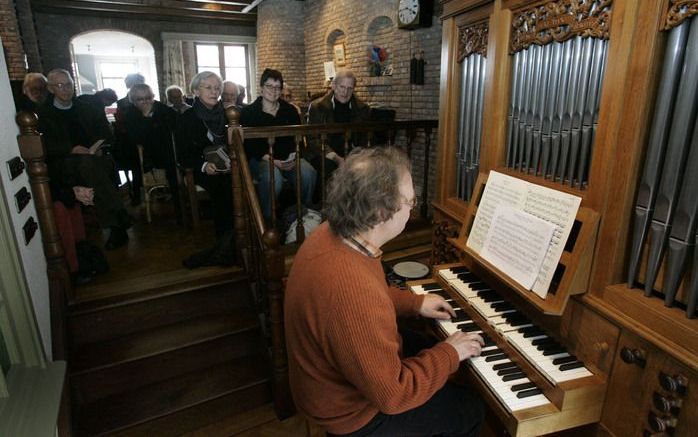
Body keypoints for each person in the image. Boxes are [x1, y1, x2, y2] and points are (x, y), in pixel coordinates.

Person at [285, 146, 485, 437]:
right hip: (351, 415)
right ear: (381, 211)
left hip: (324, 381)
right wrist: (449, 353)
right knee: (470, 409)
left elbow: (369, 296)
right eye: (410, 201)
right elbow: (393, 396)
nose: (412, 207)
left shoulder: (333, 235)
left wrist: (414, 303)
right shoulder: (351, 287)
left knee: (425, 343)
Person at [37, 69, 132, 250]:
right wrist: (71, 149)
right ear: (50, 89)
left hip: (94, 158)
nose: (65, 89)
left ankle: (116, 222)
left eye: (68, 84)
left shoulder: (87, 108)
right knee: (88, 165)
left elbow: (108, 135)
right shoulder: (43, 115)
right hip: (64, 163)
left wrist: (97, 147)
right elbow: (44, 145)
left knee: (93, 164)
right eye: (60, 85)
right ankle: (118, 218)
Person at [239, 68, 316, 221]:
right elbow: (250, 146)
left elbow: (298, 138)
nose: (273, 91)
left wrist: (294, 155)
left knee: (308, 173)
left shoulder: (290, 111)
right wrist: (273, 161)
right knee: (273, 179)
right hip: (262, 159)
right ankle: (267, 220)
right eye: (269, 86)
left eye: (277, 87)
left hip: (289, 159)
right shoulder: (248, 112)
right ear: (261, 88)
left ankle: (305, 214)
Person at [125, 83, 181, 221]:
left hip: (169, 151)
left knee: (173, 156)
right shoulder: (130, 114)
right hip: (146, 156)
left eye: (148, 97)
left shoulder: (163, 110)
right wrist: (146, 117)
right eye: (140, 99)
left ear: (153, 97)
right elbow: (137, 138)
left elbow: (175, 128)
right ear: (133, 100)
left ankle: (181, 207)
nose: (145, 102)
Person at [114, 73, 146, 204]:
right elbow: (121, 125)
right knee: (134, 162)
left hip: (145, 139)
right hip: (128, 140)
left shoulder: (147, 100)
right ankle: (136, 194)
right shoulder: (122, 103)